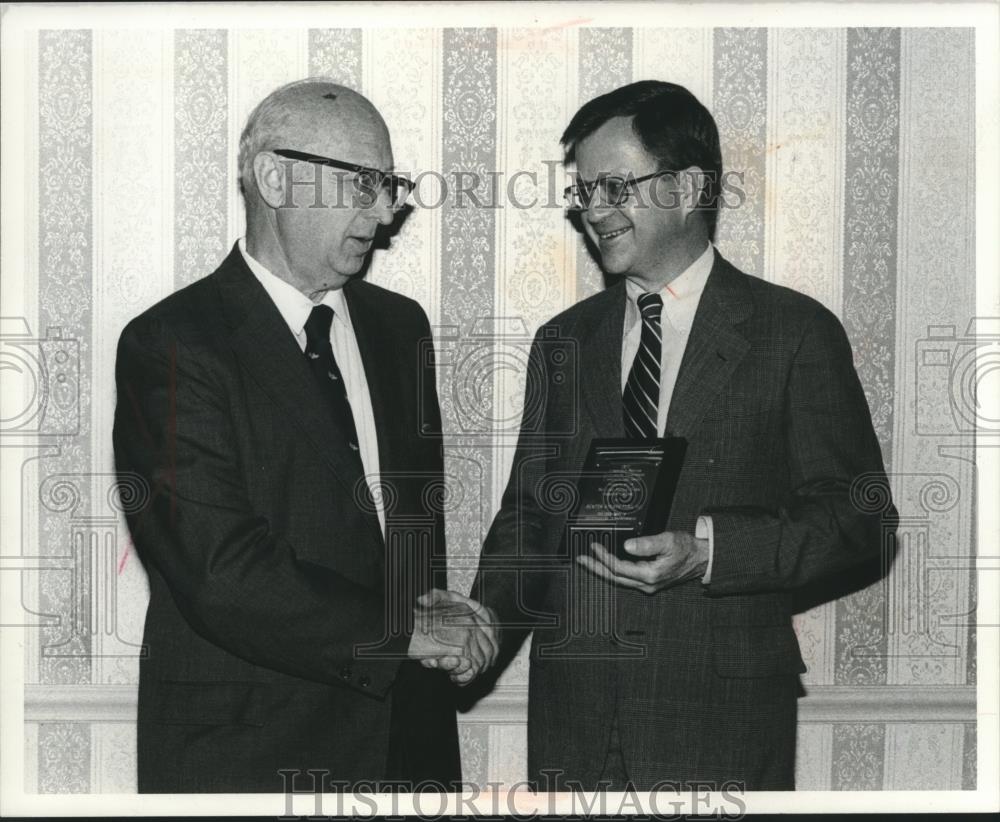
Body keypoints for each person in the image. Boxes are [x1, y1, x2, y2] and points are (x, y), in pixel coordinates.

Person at [426, 80, 896, 791]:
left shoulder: (792, 333)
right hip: (575, 718)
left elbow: (860, 518)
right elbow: (531, 517)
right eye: (583, 193)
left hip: (720, 718)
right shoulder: (565, 341)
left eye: (614, 186)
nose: (594, 212)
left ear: (688, 186)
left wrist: (710, 550)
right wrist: (483, 621)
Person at [113, 78, 496, 793]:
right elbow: (220, 570)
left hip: (407, 751)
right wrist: (402, 635)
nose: (384, 211)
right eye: (363, 184)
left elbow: (408, 529)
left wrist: (433, 608)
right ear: (274, 178)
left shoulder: (398, 326)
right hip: (251, 761)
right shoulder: (170, 345)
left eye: (391, 186)